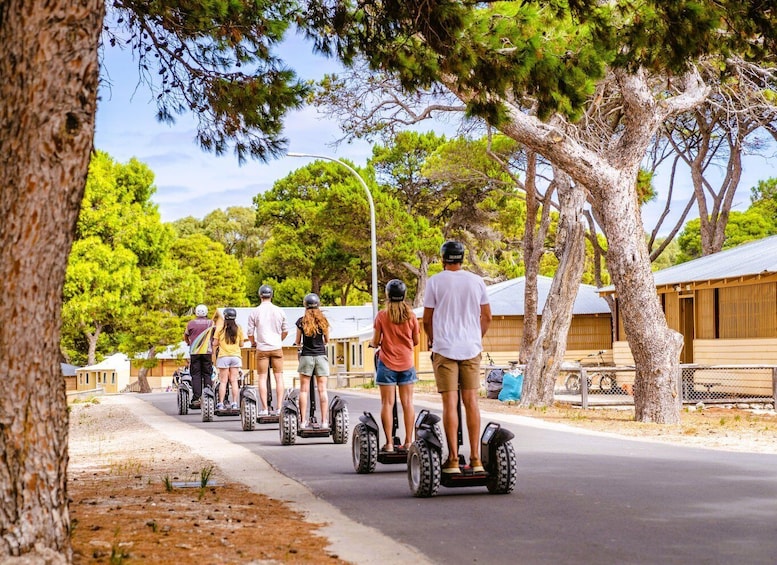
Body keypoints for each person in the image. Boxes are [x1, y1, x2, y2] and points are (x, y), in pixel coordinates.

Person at [423, 240, 492, 474]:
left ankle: (452, 460)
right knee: (472, 402)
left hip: (444, 348)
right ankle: (476, 459)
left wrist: (433, 339)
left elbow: (426, 319)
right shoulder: (477, 281)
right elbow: (487, 317)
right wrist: (476, 336)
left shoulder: (434, 282)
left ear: (443, 258)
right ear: (462, 258)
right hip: (471, 348)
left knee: (450, 403)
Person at [371, 279, 419, 452]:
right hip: (407, 363)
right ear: (404, 295)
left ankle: (389, 443)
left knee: (387, 404)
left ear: (387, 295)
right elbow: (416, 341)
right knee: (408, 403)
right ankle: (408, 442)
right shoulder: (412, 316)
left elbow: (376, 341)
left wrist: (375, 343)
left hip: (387, 364)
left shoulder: (382, 316)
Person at [246, 284, 289, 416]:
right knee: (279, 377)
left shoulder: (255, 312)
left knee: (262, 378)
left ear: (260, 296)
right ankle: (279, 407)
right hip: (276, 347)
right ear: (271, 295)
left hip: (262, 348)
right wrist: (278, 340)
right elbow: (285, 330)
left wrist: (254, 343)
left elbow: (250, 332)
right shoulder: (279, 311)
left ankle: (264, 408)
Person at [293, 293, 330, 428]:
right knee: (322, 390)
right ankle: (324, 421)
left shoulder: (301, 321)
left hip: (306, 356)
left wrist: (299, 344)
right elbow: (327, 340)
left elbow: (298, 341)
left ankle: (303, 421)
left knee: (303, 390)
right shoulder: (323, 321)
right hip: (320, 356)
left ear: (305, 305)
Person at [212, 307, 245, 410]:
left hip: (224, 356)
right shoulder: (239, 328)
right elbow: (242, 344)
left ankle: (221, 403)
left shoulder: (220, 329)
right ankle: (235, 403)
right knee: (234, 380)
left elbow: (215, 343)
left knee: (223, 381)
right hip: (235, 356)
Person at [183, 305, 214, 409]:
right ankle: (208, 396)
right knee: (207, 374)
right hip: (207, 351)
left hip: (194, 351)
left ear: (196, 312)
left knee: (196, 374)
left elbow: (186, 335)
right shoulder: (211, 323)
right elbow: (214, 336)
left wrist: (188, 342)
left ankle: (196, 398)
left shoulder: (191, 323)